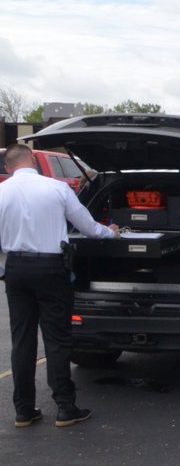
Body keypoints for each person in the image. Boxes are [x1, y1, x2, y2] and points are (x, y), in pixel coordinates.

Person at [0, 143, 120, 428]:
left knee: (23, 341)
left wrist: (4, 269)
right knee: (56, 340)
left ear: (8, 167)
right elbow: (89, 228)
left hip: (16, 269)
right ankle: (66, 408)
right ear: (33, 160)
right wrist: (111, 233)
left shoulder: (1, 192)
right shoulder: (56, 188)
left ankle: (24, 411)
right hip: (51, 269)